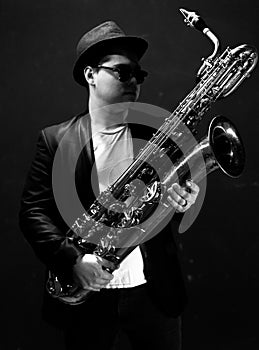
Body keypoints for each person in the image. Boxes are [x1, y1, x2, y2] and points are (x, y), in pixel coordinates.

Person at [19, 21, 200, 350]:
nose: (134, 81)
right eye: (123, 72)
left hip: (153, 292)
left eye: (139, 75)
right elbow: (32, 212)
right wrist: (73, 260)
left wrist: (181, 201)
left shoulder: (154, 138)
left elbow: (163, 206)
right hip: (88, 298)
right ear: (90, 75)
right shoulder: (55, 140)